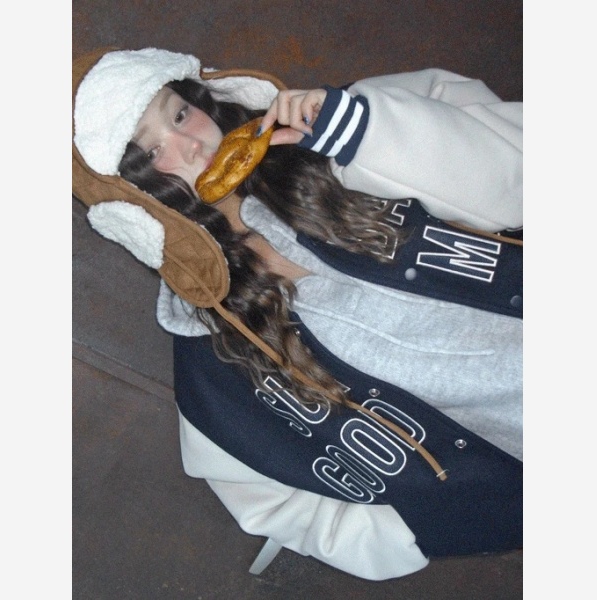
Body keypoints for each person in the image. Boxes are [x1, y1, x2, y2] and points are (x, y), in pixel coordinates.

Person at [73, 47, 522, 580]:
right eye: (151, 153)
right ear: (129, 206)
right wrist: (418, 528)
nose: (192, 145)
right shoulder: (214, 360)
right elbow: (273, 504)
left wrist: (366, 135)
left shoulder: (347, 125)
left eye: (179, 114)